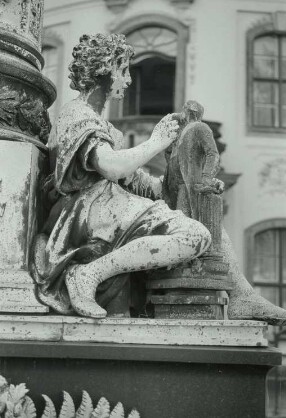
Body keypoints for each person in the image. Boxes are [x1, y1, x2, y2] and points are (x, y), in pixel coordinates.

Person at [31, 33, 211, 319]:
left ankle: (242, 295)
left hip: (108, 206)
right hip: (89, 211)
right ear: (104, 69)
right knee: (194, 234)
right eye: (123, 70)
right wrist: (155, 142)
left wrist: (180, 164)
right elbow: (113, 168)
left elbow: (142, 184)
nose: (128, 80)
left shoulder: (104, 127)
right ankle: (87, 274)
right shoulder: (76, 113)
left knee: (201, 226)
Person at [164, 99, 286, 326]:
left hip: (186, 199)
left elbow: (212, 155)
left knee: (209, 237)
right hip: (180, 202)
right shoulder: (181, 141)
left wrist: (207, 180)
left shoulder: (190, 134)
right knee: (204, 238)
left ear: (189, 113)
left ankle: (242, 297)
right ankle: (242, 297)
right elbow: (200, 162)